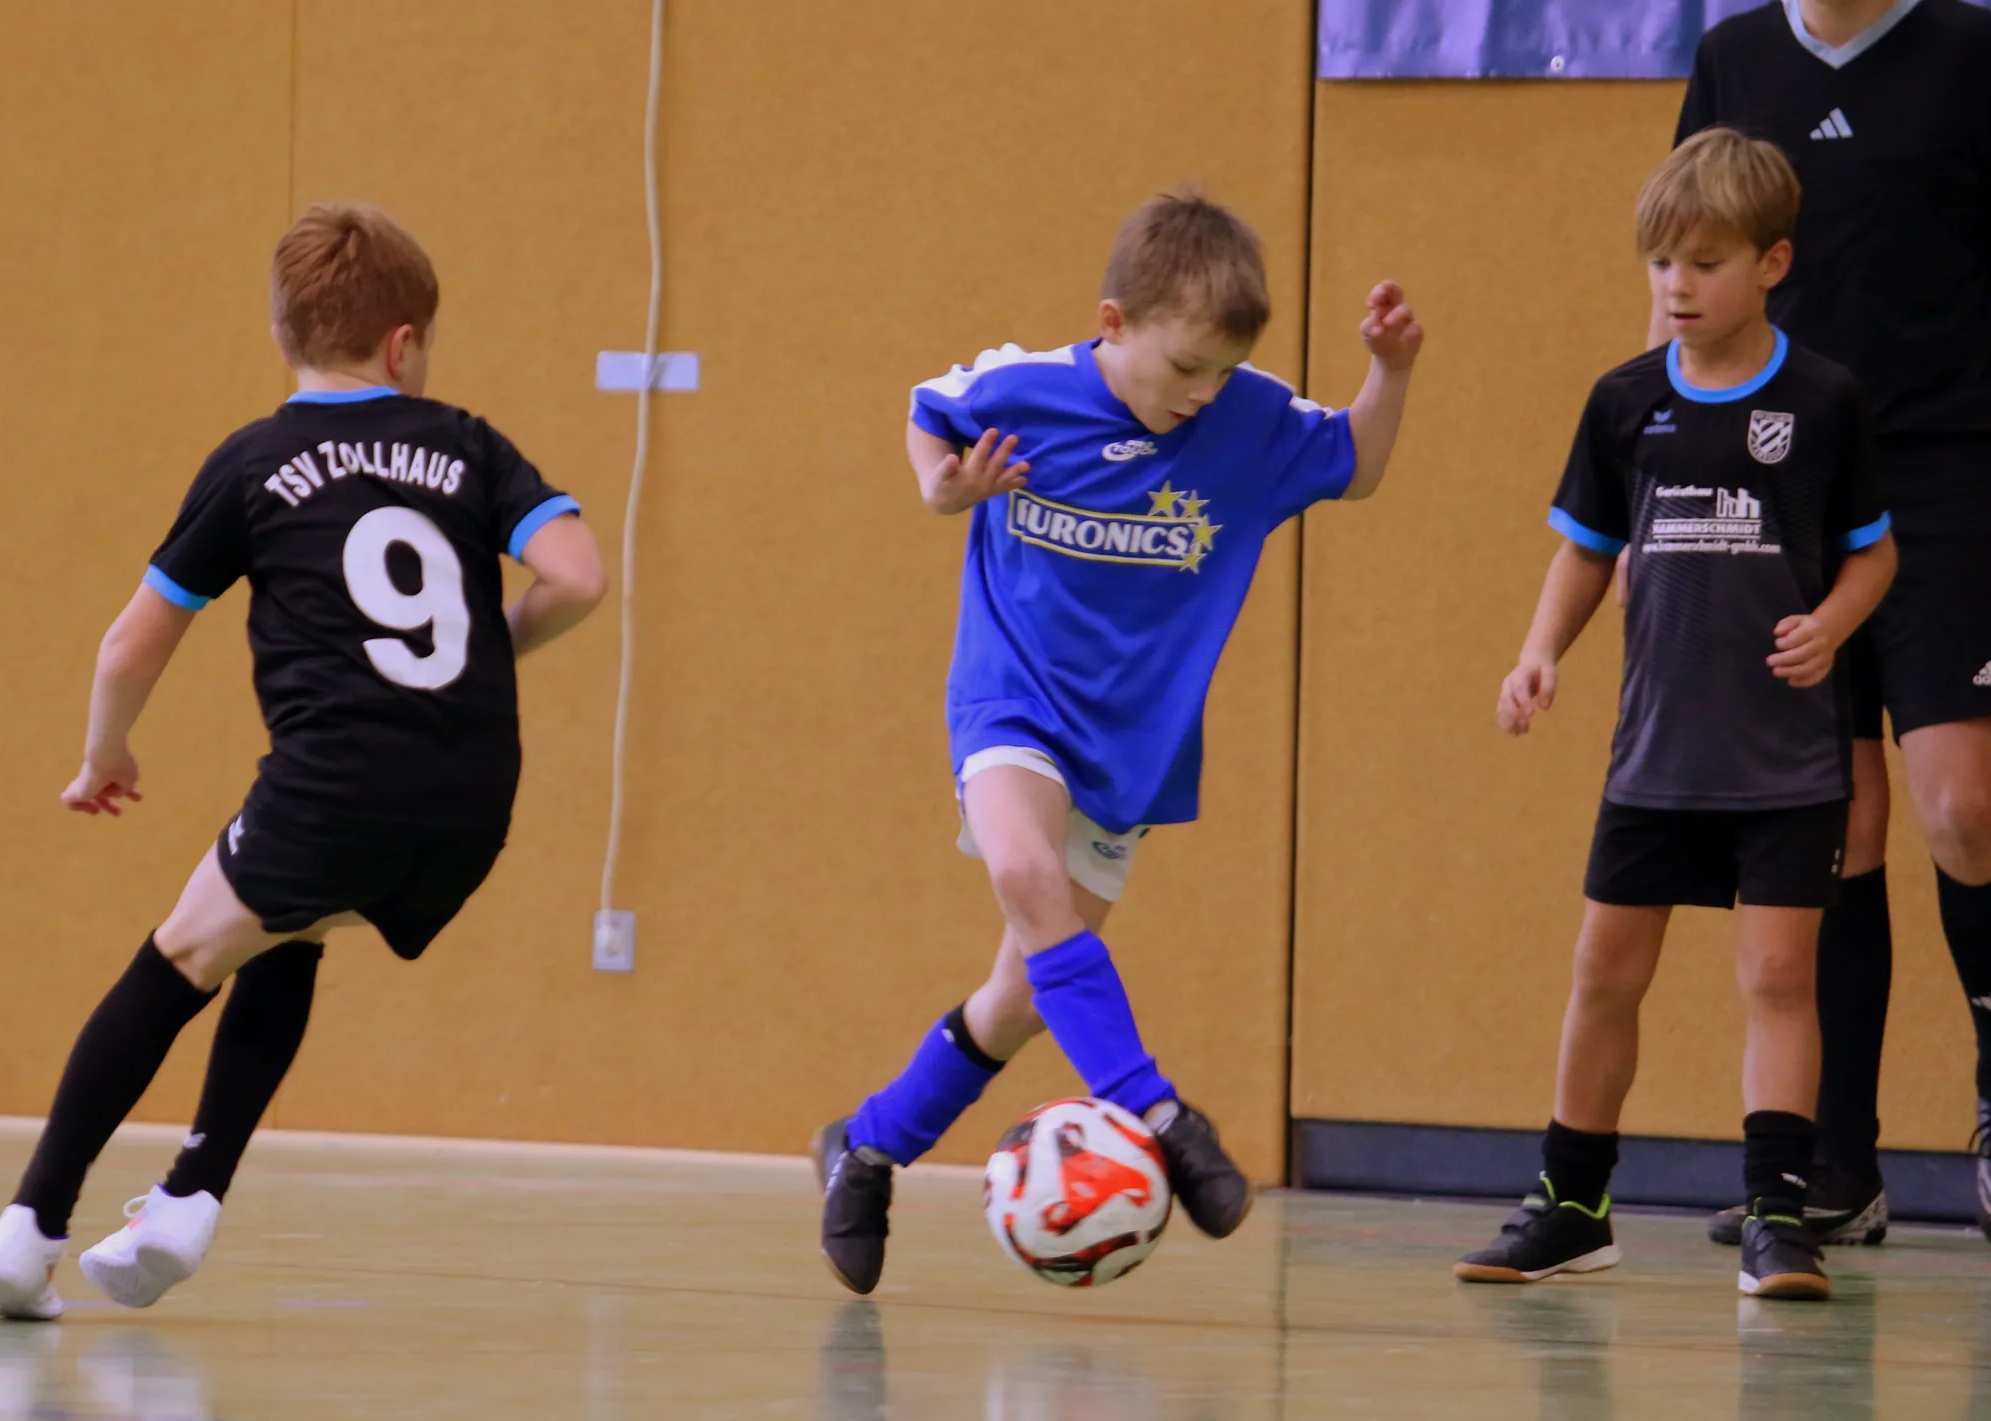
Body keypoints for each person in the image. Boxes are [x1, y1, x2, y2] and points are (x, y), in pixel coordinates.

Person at [0, 204, 607, 1320]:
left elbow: (129, 646)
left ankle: (29, 1227)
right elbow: (579, 575)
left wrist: (104, 752)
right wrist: (486, 655)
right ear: (403, 344)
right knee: (293, 927)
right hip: (469, 801)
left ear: (283, 337)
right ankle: (187, 1198)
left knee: (176, 958)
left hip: (334, 784)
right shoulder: (468, 443)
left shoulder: (255, 460)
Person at [809, 192, 1423, 1295]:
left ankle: (863, 1148)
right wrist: (945, 490)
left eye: (1221, 371)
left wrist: (1391, 371)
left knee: (1020, 998)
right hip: (1010, 701)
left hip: (1130, 744)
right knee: (1022, 869)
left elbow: (1357, 463)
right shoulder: (1025, 387)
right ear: (1112, 323)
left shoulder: (1248, 421)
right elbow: (928, 414)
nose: (1201, 392)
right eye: (1184, 366)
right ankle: (1159, 1113)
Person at [1453, 129, 1895, 1300]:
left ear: (1770, 263)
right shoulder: (1623, 402)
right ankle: (1570, 1203)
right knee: (1601, 969)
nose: (1676, 286)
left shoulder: (1820, 400)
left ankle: (1776, 1216)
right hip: (1654, 756)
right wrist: (1536, 653)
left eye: (1703, 262)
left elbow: (1872, 551)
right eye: (1660, 263)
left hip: (1786, 762)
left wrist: (1831, 626)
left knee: (1777, 976)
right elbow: (1584, 550)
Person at [1667, 0, 1991, 1247]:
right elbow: (1686, 265)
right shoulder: (1733, 58)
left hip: (1951, 471)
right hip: (1786, 485)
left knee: (1960, 805)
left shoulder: (1968, 52)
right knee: (1836, 823)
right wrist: (1665, 470)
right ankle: (1836, 1164)